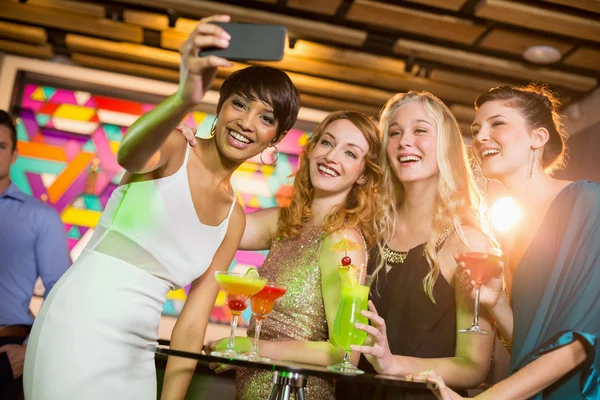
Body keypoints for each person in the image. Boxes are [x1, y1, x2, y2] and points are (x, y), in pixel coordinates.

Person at [23, 15, 301, 400]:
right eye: (239, 104)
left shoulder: (233, 218)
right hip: (77, 325)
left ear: (277, 137)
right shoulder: (172, 147)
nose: (246, 123)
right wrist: (184, 97)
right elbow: (128, 154)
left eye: (266, 118)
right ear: (220, 107)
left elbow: (193, 320)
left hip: (139, 349)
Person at [182, 110, 386, 399]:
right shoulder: (286, 222)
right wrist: (192, 157)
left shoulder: (342, 241)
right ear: (312, 148)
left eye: (350, 153)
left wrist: (251, 348)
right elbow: (214, 224)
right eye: (327, 143)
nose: (332, 156)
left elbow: (345, 354)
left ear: (364, 175)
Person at [418, 84, 600, 399]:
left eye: (497, 123)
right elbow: (532, 343)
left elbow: (579, 345)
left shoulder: (587, 202)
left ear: (538, 138)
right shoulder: (509, 233)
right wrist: (496, 303)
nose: (481, 137)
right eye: (476, 130)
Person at [339, 91, 496, 399]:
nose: (403, 141)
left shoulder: (467, 242)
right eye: (394, 133)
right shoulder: (365, 228)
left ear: (446, 146)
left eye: (420, 130)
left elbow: (473, 366)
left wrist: (393, 364)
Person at [0, 110, 70, 400]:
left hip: (5, 350)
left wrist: (28, 350)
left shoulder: (40, 217)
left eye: (1, 146)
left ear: (14, 155)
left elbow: (61, 291)